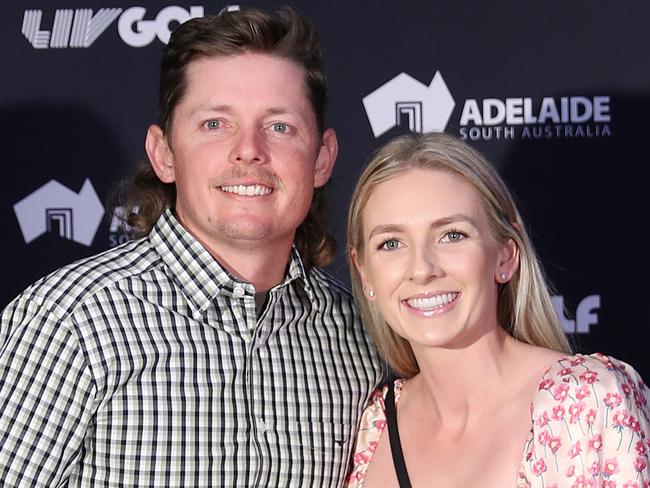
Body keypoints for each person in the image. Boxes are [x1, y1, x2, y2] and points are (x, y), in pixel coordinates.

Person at [0, 7, 380, 487]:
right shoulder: (72, 324)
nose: (249, 149)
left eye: (280, 126)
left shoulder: (361, 337)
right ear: (163, 153)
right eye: (215, 124)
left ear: (322, 158)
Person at [344, 132, 650, 487]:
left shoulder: (589, 399)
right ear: (364, 271)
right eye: (391, 243)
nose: (422, 269)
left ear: (505, 255)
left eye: (452, 235)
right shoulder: (374, 427)